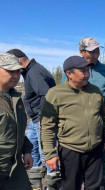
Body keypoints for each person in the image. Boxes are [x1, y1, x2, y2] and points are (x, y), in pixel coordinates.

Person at [41, 56, 105, 190]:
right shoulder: (55, 94)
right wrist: (50, 154)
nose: (87, 75)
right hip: (70, 149)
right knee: (71, 186)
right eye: (83, 71)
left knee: (94, 186)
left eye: (88, 71)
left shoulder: (96, 91)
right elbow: (47, 126)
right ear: (69, 73)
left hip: (95, 148)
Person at [61, 37, 105, 189]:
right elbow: (62, 95)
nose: (95, 54)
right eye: (91, 52)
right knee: (75, 164)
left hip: (103, 121)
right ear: (81, 52)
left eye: (97, 51)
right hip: (77, 124)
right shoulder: (71, 70)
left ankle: (102, 184)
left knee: (104, 157)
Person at [7, 48, 59, 190]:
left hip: (41, 120)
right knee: (32, 151)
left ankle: (53, 185)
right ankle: (35, 185)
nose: (14, 71)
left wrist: (44, 119)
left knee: (47, 154)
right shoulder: (30, 71)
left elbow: (45, 96)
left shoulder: (34, 72)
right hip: (35, 120)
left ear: (18, 60)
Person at [0, 53, 33, 190]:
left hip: (14, 167)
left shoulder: (15, 98)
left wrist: (26, 150)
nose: (15, 75)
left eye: (18, 71)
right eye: (10, 71)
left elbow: (18, 129)